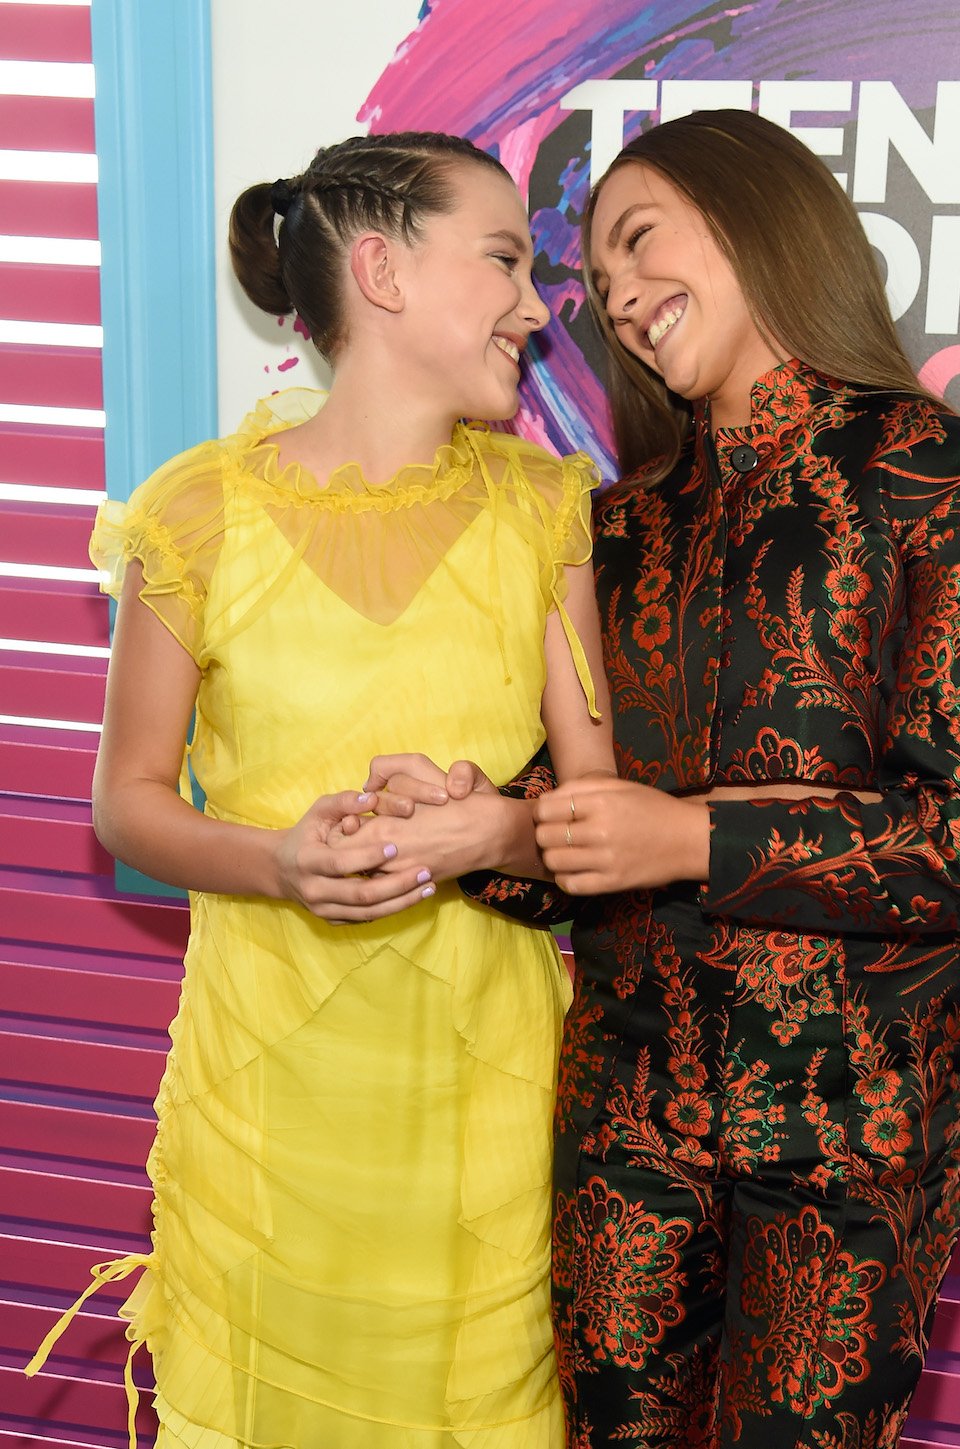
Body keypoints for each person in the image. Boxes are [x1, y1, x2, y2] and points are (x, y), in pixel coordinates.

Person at [360, 110, 960, 1448]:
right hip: (625, 1124)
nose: (622, 297)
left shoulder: (948, 490)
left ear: (759, 220)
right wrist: (482, 826)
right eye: (599, 282)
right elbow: (587, 825)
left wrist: (688, 838)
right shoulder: (617, 526)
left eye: (642, 241)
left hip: (852, 1136)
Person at [26, 131, 614, 1448]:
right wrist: (281, 863)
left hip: (489, 1117)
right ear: (382, 272)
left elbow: (598, 812)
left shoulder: (546, 510)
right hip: (268, 1117)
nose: (536, 306)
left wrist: (493, 827)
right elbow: (128, 803)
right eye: (504, 260)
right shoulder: (195, 513)